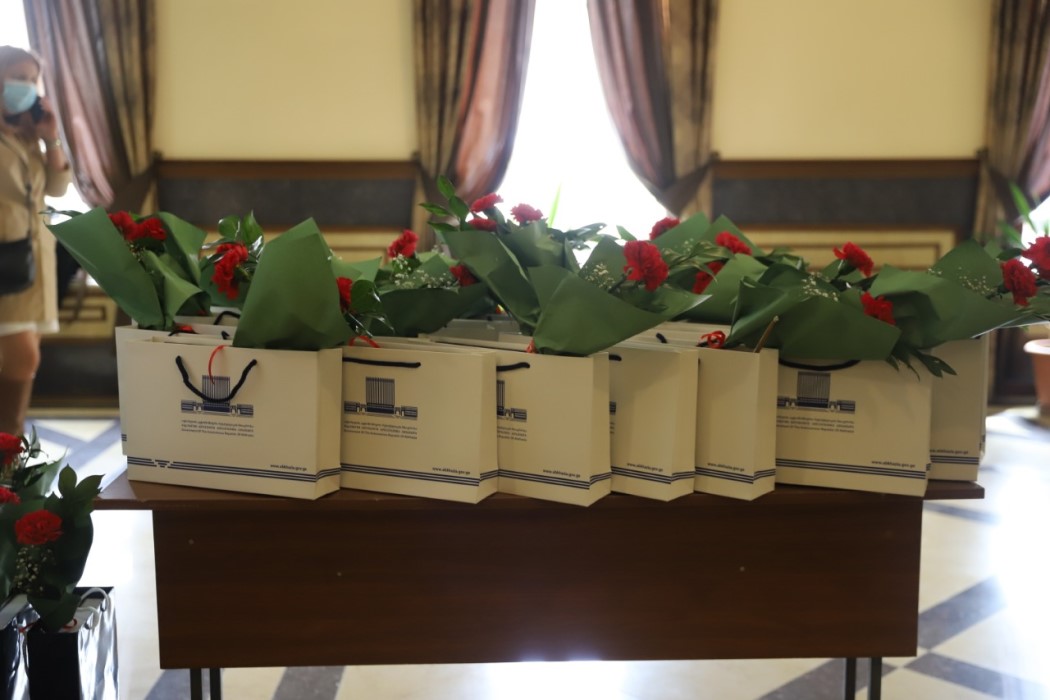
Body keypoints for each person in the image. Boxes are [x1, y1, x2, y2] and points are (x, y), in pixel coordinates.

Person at [0, 46, 71, 435]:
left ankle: (8, 453)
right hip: (5, 260)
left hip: (33, 259)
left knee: (25, 360)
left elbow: (57, 188)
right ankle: (8, 451)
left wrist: (50, 138)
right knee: (23, 359)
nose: (26, 86)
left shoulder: (28, 133)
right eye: (17, 77)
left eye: (32, 79)